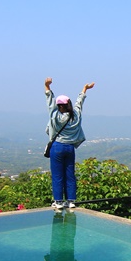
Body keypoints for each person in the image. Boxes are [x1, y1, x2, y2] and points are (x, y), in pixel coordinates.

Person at [44, 77, 95, 210]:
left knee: (57, 175)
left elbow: (50, 101)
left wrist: (47, 86)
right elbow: (80, 102)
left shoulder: (55, 114)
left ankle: (59, 201)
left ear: (58, 105)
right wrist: (84, 89)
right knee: (69, 174)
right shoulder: (76, 115)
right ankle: (71, 200)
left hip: (57, 147)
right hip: (70, 148)